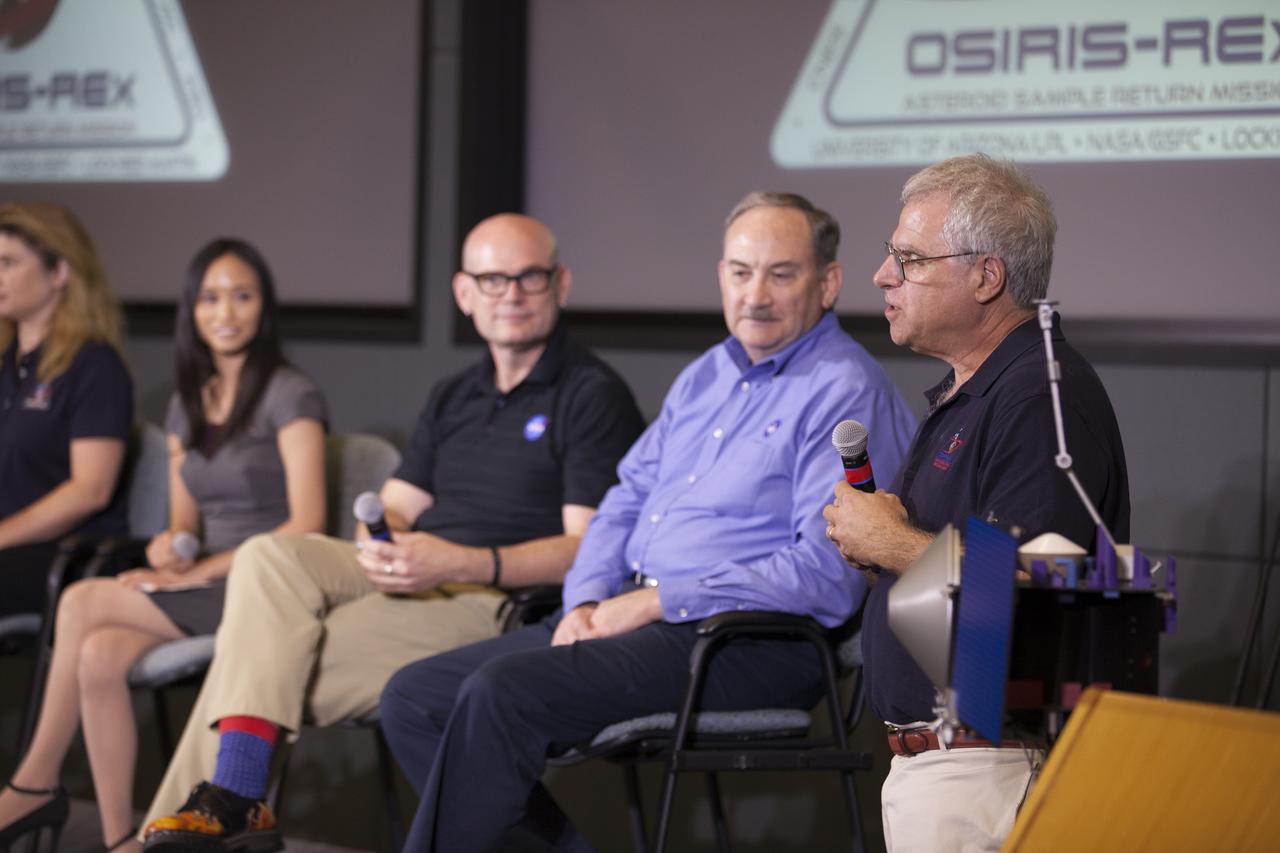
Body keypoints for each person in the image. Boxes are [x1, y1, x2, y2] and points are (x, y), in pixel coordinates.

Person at [377, 191, 917, 852]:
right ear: (720, 276)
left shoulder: (845, 388)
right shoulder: (707, 375)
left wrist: (657, 600)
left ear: (827, 282)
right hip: (638, 617)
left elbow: (828, 575)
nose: (756, 294)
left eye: (782, 273)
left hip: (748, 640)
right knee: (416, 695)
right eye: (741, 272)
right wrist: (584, 601)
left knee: (500, 692)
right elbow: (625, 498)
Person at [140, 213, 646, 852]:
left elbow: (586, 551)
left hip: (493, 603)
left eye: (529, 278)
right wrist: (380, 535)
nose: (511, 295)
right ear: (465, 294)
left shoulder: (590, 394)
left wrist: (456, 562)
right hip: (413, 577)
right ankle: (233, 805)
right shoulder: (454, 394)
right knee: (268, 558)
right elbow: (399, 505)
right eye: (492, 280)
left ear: (561, 284)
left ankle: (188, 825)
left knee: (256, 669)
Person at [822, 154, 1130, 852]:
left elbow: (1029, 603)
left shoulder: (1038, 401)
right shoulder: (981, 390)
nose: (882, 276)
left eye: (908, 258)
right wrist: (886, 543)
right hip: (946, 770)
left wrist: (895, 542)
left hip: (990, 772)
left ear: (986, 276)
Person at [0, 237, 329, 853]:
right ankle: (123, 835)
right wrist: (168, 553)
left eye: (242, 296)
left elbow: (307, 523)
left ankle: (33, 783)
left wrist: (203, 568)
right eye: (209, 298)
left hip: (267, 588)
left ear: (264, 307)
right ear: (191, 311)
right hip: (205, 579)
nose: (225, 312)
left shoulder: (292, 394)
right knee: (99, 654)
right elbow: (184, 525)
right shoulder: (188, 403)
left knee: (79, 603)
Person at [0, 202, 131, 619]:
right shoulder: (7, 362)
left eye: (7, 263)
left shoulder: (94, 365)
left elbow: (91, 489)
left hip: (64, 557)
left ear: (59, 273)